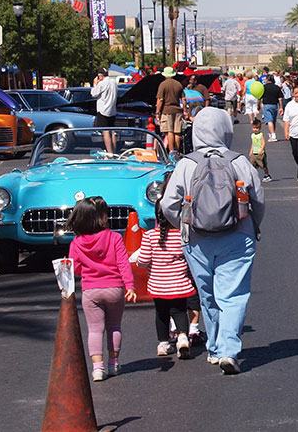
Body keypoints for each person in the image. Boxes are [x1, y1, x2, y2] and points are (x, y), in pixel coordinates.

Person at [162, 107, 264, 374]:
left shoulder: (186, 163)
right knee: (233, 295)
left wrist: (183, 226)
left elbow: (168, 204)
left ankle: (215, 347)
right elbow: (258, 199)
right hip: (237, 236)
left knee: (208, 295)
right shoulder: (238, 161)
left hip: (197, 240)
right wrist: (254, 226)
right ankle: (229, 350)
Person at [67, 197, 137, 382]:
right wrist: (129, 286)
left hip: (91, 290)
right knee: (114, 327)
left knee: (95, 329)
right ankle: (114, 363)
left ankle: (98, 368)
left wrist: (87, 270)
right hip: (114, 288)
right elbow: (123, 263)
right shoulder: (114, 237)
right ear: (102, 217)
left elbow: (74, 268)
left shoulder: (77, 243)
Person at [136, 199, 198, 359]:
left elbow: (142, 261)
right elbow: (191, 258)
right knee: (179, 311)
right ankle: (183, 337)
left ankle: (163, 343)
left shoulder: (150, 236)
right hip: (180, 283)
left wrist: (140, 262)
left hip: (158, 284)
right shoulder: (181, 235)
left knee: (161, 313)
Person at [156, 66, 185, 152]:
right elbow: (183, 99)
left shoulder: (163, 85)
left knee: (170, 131)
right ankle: (177, 151)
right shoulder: (178, 84)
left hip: (167, 110)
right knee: (177, 132)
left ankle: (171, 151)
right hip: (178, 110)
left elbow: (160, 99)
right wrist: (185, 110)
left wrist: (157, 112)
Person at [90, 67, 118, 154]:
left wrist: (95, 84)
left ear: (100, 75)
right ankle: (114, 151)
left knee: (105, 132)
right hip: (112, 110)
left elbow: (93, 94)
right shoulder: (114, 82)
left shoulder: (102, 83)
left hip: (103, 110)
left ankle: (110, 153)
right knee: (112, 132)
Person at [259, 75, 283, 142]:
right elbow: (280, 98)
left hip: (266, 105)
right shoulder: (277, 88)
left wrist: (258, 105)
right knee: (273, 120)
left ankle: (273, 135)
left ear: (267, 80)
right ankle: (272, 133)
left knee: (269, 120)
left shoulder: (264, 87)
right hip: (274, 105)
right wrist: (281, 107)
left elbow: (259, 97)